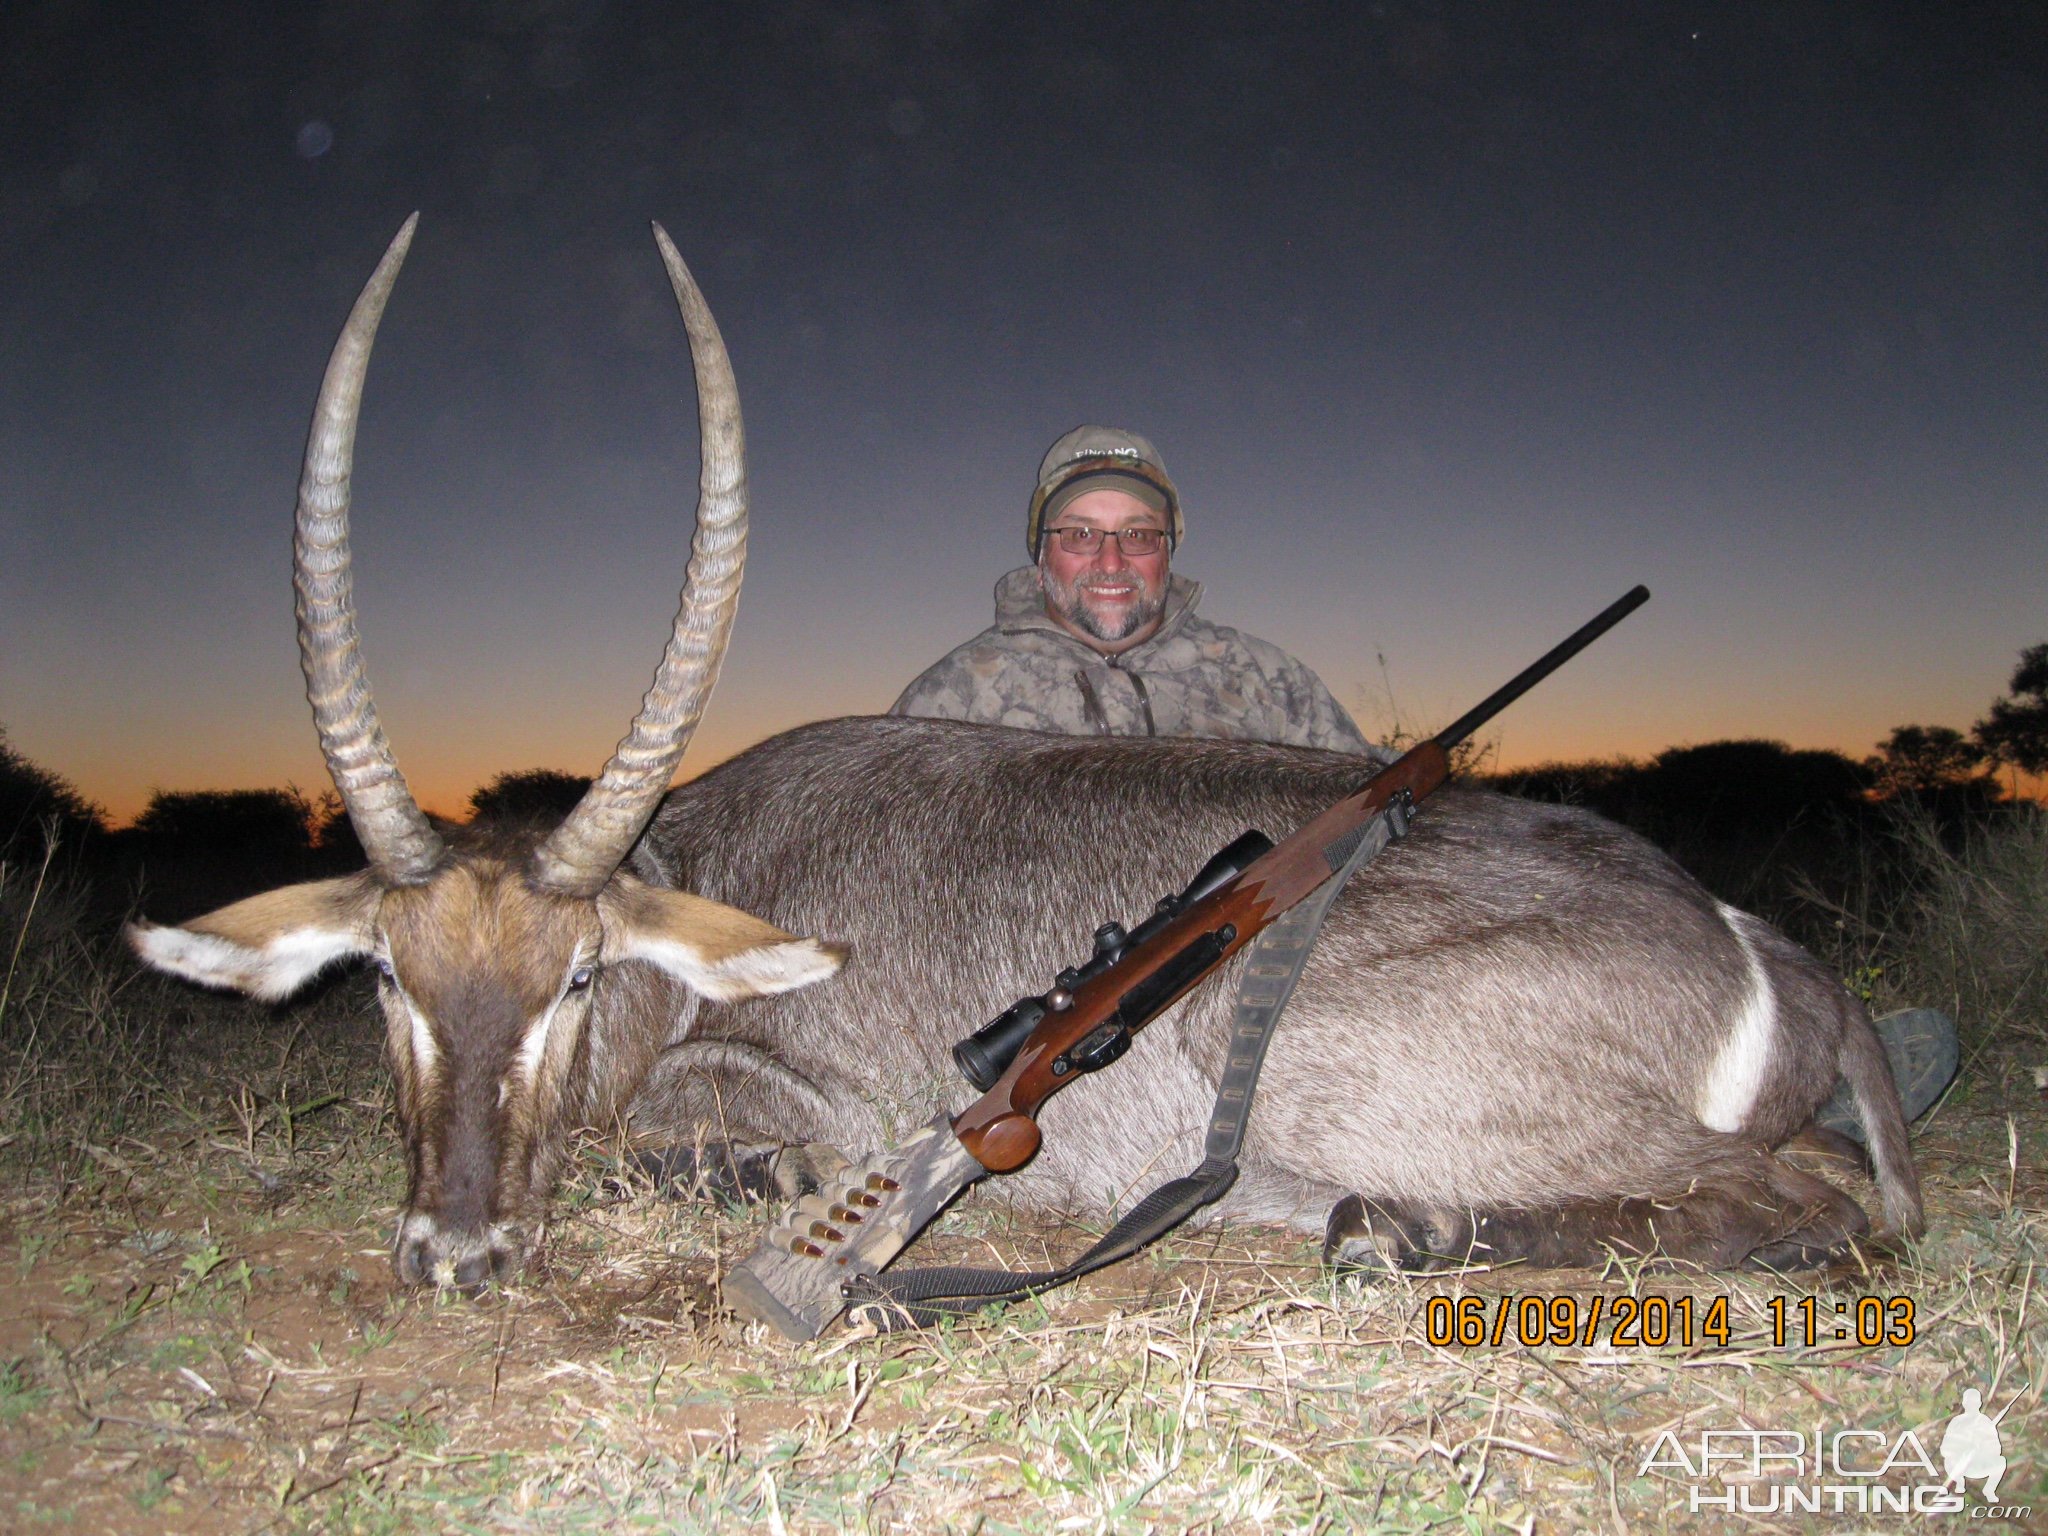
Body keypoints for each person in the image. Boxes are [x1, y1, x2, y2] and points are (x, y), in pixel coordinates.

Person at [890, 425, 1385, 757]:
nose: (1111, 562)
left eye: (1138, 534)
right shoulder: (949, 703)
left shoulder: (1272, 683)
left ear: (1169, 551)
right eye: (1081, 534)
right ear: (1041, 556)